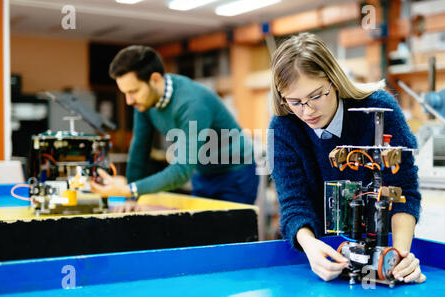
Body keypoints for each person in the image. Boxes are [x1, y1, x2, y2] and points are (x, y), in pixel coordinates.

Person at [269, 33, 425, 283]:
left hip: (377, 254)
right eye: (295, 102)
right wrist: (310, 246)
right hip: (319, 259)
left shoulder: (379, 111)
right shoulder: (282, 128)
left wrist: (401, 256)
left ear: (334, 81)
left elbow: (404, 188)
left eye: (316, 96)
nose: (307, 111)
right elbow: (293, 203)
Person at [89, 45, 259, 206]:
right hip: (203, 172)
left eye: (133, 91)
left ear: (154, 79)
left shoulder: (191, 104)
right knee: (203, 233)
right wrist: (132, 198)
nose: (129, 101)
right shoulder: (144, 103)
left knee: (233, 233)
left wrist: (128, 190)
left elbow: (182, 171)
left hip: (236, 172)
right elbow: (139, 148)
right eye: (125, 93)